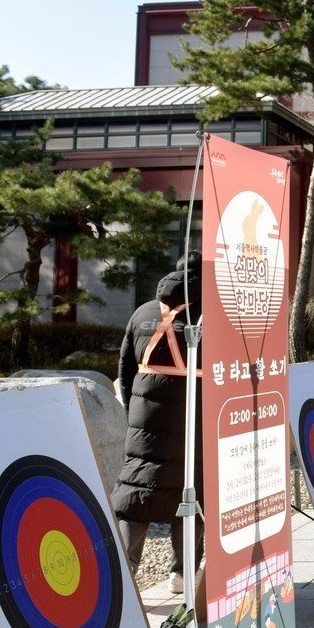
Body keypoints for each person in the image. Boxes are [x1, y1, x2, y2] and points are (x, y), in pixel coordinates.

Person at [113, 252, 205, 594]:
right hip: (191, 414)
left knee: (137, 490)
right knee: (191, 490)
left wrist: (134, 412)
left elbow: (125, 372)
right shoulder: (212, 314)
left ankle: (125, 573)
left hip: (143, 416)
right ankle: (181, 575)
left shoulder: (143, 313)